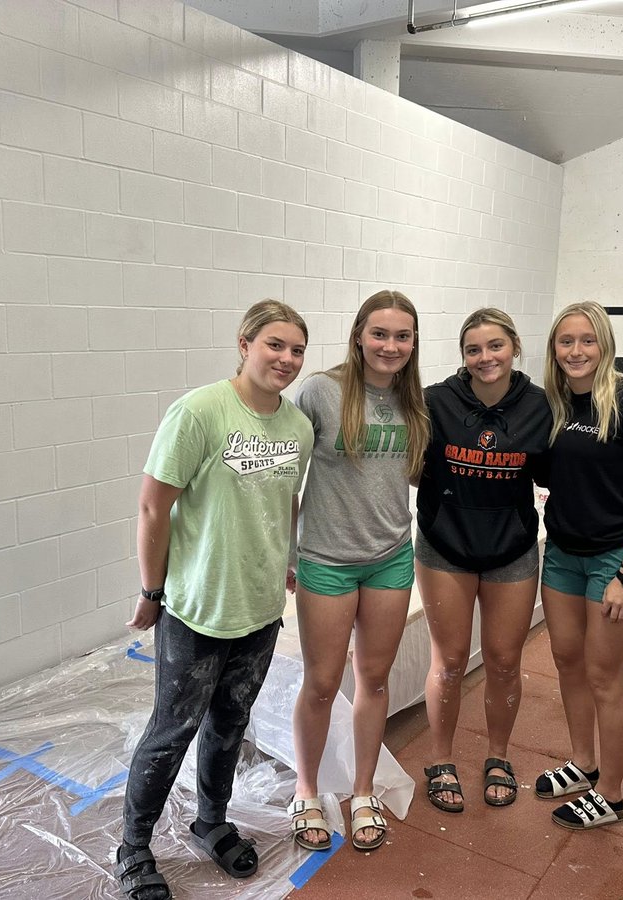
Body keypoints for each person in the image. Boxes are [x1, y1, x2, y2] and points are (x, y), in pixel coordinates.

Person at [116, 300, 314, 900]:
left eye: (297, 350)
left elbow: (285, 504)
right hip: (197, 607)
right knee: (173, 728)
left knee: (230, 723)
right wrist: (153, 590)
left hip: (258, 608)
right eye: (274, 344)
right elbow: (154, 505)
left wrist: (288, 560)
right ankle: (134, 845)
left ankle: (211, 820)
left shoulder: (297, 428)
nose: (286, 358)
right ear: (245, 343)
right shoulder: (200, 411)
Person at [289, 290, 431, 853]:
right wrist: (287, 553)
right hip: (326, 561)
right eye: (380, 334)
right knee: (322, 684)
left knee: (374, 680)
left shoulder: (415, 402)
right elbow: (286, 481)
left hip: (390, 558)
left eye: (402, 336)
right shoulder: (322, 392)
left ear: (414, 342)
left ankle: (364, 790)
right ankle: (306, 791)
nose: (390, 346)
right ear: (358, 335)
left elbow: (417, 475)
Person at [534, 300, 623, 831]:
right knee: (567, 662)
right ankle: (583, 764)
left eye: (586, 340)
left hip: (615, 558)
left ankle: (610, 795)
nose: (576, 351)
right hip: (564, 553)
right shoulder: (558, 403)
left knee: (604, 677)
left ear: (604, 344)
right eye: (565, 341)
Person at [414, 308, 552, 814]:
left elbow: (552, 473)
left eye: (495, 346)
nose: (484, 357)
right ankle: (440, 759)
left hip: (511, 549)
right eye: (473, 349)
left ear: (514, 346)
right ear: (463, 355)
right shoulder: (435, 402)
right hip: (444, 547)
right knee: (449, 663)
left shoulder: (541, 406)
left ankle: (498, 756)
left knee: (503, 661)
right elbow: (413, 469)